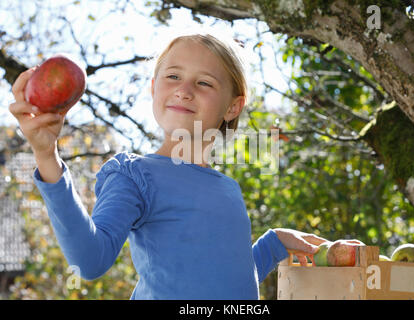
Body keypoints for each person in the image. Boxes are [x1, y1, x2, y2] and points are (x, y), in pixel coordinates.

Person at [9, 32, 328, 299]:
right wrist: (47, 155)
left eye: (204, 83)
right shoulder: (135, 174)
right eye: (173, 76)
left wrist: (274, 243)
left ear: (233, 106)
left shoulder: (228, 189)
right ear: (153, 88)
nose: (184, 90)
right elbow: (89, 261)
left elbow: (226, 287)